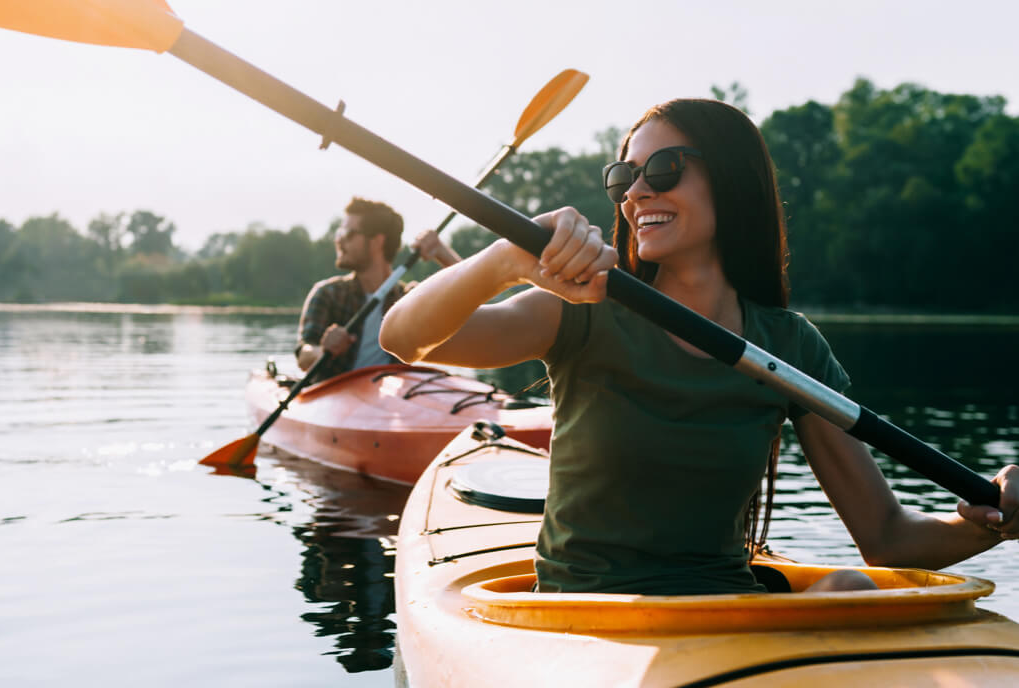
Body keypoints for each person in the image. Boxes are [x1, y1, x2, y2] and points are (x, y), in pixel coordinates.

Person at [380, 99, 1018, 595]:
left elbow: (886, 538)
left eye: (662, 170)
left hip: (722, 611)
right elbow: (403, 337)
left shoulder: (789, 346)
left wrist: (988, 518)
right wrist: (502, 262)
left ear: (732, 181)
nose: (635, 193)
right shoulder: (580, 309)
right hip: (585, 615)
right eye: (624, 177)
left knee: (849, 584)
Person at [295, 197, 461, 382]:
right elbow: (303, 356)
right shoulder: (327, 294)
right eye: (339, 233)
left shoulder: (409, 299)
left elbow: (469, 295)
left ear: (377, 241)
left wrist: (441, 252)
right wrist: (323, 351)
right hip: (333, 396)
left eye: (348, 233)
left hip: (390, 400)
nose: (339, 241)